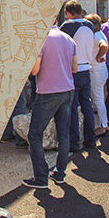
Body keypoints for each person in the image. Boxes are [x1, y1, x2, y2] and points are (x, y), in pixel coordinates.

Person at [22, 25, 78, 189]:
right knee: (63, 135)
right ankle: (59, 173)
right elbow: (74, 68)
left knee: (34, 134)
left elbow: (34, 70)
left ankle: (41, 177)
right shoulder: (68, 38)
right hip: (68, 90)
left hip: (48, 92)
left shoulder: (41, 39)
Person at [60, 0, 96, 151]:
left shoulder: (67, 26)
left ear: (68, 13)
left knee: (72, 107)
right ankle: (91, 138)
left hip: (73, 70)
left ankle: (74, 142)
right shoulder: (90, 25)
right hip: (86, 68)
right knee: (86, 105)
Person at [85, 13, 109, 136]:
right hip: (99, 69)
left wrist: (98, 56)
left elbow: (104, 46)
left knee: (98, 98)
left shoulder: (96, 35)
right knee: (99, 98)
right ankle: (103, 123)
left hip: (96, 70)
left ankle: (103, 125)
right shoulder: (99, 34)